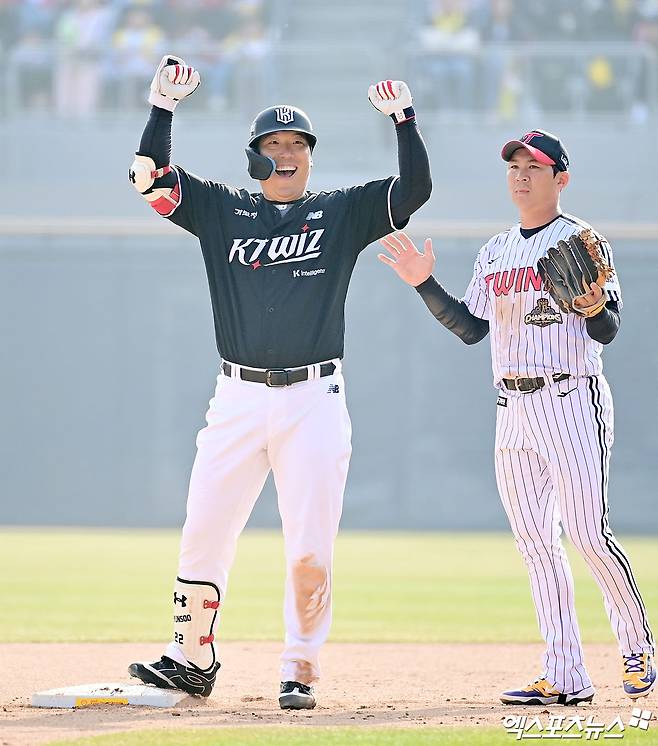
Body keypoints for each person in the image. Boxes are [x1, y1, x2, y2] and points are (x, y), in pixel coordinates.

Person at [126, 57, 431, 709]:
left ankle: (300, 667)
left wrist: (404, 121)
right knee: (204, 527)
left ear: (312, 157)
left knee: (308, 543)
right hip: (236, 396)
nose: (286, 154)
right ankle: (192, 656)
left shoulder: (340, 212)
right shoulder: (222, 209)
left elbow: (413, 192)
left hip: (313, 399)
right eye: (273, 144)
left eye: (298, 144)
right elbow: (149, 179)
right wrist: (161, 108)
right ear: (254, 158)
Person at [378, 129, 655, 705]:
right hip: (512, 408)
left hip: (570, 397)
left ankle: (638, 648)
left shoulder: (583, 239)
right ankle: (565, 674)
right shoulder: (495, 251)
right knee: (535, 543)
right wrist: (424, 283)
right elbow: (472, 329)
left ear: (561, 178)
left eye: (534, 166)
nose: (521, 175)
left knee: (587, 532)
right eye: (514, 167)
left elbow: (608, 330)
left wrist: (594, 307)